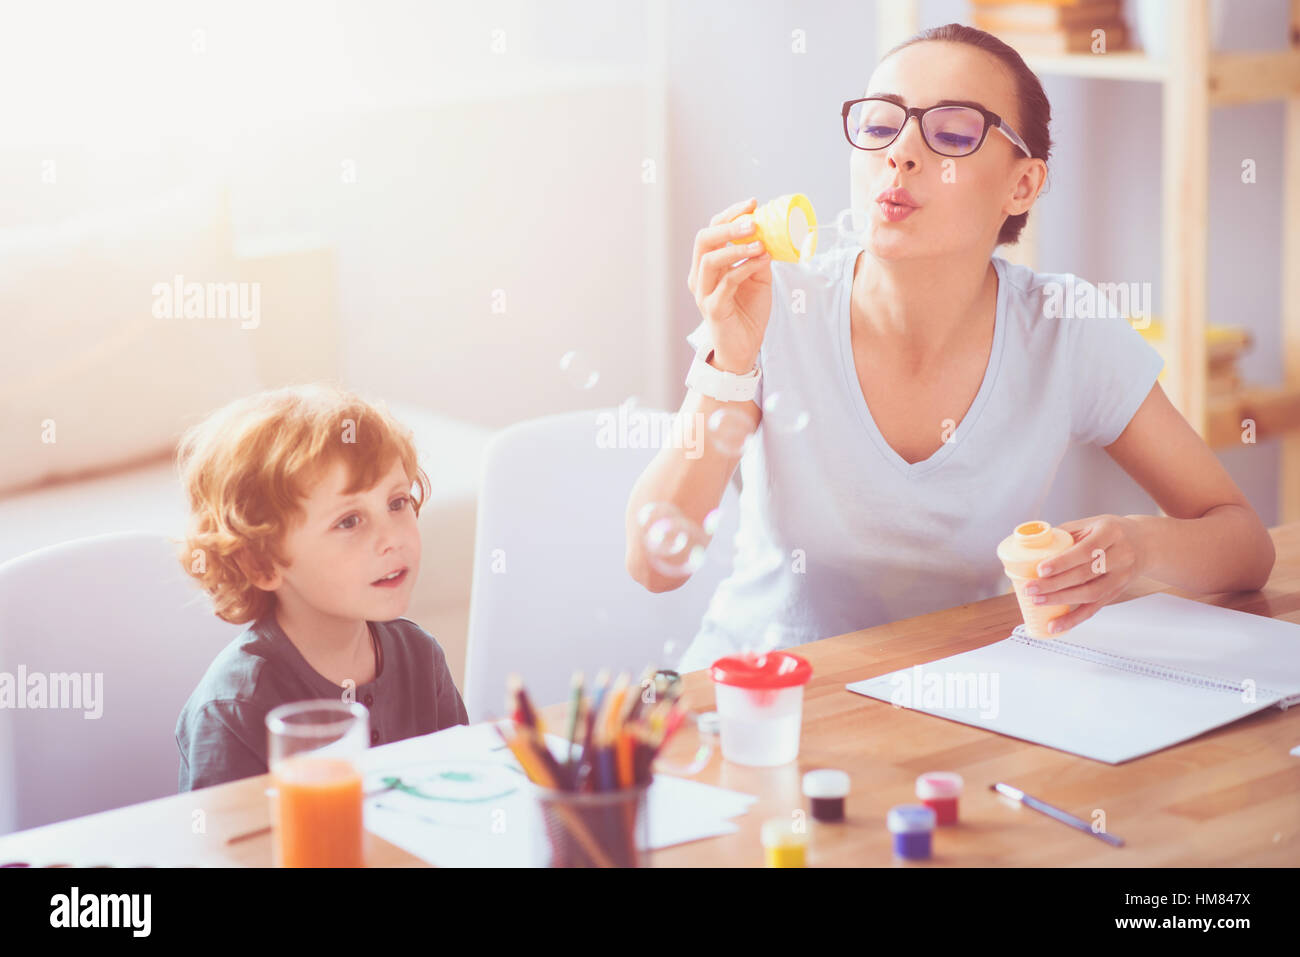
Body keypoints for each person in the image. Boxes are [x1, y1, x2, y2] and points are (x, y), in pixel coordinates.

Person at [626, 23, 1275, 673]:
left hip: (944, 703)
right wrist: (728, 362)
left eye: (954, 132)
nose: (901, 153)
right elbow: (652, 565)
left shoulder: (1064, 328)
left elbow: (1245, 545)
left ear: (1021, 186)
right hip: (756, 700)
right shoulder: (774, 305)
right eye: (881, 125)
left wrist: (1139, 544)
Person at [174, 383, 468, 791]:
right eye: (349, 521)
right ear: (262, 563)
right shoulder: (234, 707)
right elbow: (232, 852)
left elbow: (460, 794)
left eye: (397, 503)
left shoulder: (420, 657)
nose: (392, 538)